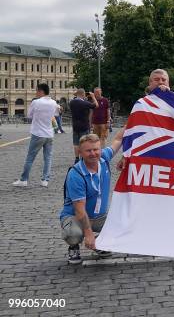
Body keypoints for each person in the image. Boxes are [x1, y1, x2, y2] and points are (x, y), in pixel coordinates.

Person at [59, 130, 125, 264]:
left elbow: (118, 139)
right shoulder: (76, 174)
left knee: (124, 224)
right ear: (80, 153)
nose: (93, 153)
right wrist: (88, 233)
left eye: (96, 149)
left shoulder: (104, 158)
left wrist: (132, 120)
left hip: (99, 216)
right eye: (88, 151)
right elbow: (79, 210)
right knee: (74, 235)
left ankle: (100, 243)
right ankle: (74, 247)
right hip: (76, 217)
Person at [13, 84, 59, 187]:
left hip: (38, 133)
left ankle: (24, 180)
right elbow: (55, 115)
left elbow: (29, 115)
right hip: (49, 134)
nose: (36, 92)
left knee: (30, 158)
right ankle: (45, 180)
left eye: (36, 90)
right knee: (48, 158)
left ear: (41, 91)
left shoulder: (36, 102)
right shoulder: (54, 102)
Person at [69, 89, 99, 164]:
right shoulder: (84, 103)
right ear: (83, 94)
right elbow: (96, 105)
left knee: (76, 143)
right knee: (84, 142)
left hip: (75, 125)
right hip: (84, 125)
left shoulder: (71, 102)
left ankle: (76, 158)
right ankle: (83, 158)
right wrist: (93, 97)